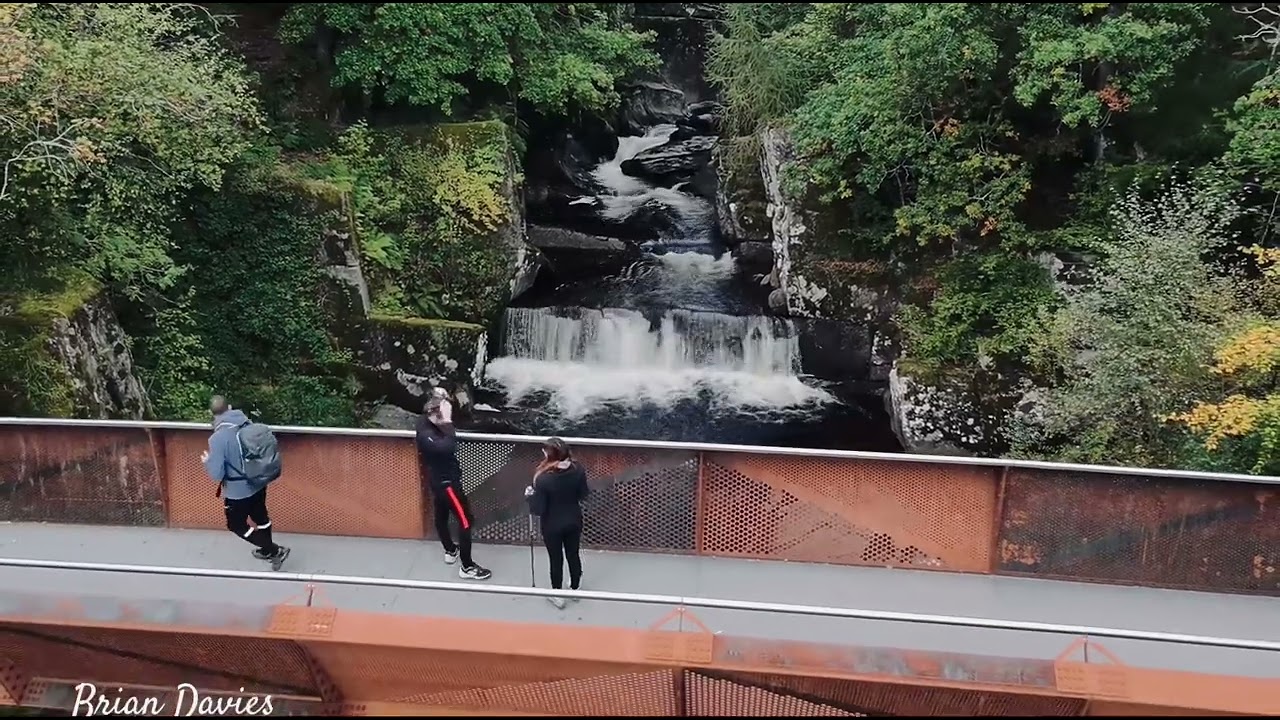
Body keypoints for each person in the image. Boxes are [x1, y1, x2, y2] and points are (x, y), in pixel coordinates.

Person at [200, 396, 290, 571]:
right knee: (261, 517)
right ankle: (267, 551)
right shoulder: (247, 424)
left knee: (236, 525)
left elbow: (217, 474)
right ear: (230, 407)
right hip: (258, 481)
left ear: (212, 413)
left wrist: (208, 461)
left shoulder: (217, 438)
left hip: (237, 491)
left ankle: (274, 550)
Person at [416, 390, 492, 581]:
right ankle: (467, 566)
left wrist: (441, 398)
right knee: (465, 521)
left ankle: (450, 550)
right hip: (448, 485)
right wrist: (447, 421)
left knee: (441, 515)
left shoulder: (424, 421)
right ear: (435, 414)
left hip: (438, 481)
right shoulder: (427, 435)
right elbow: (449, 446)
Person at [525, 437, 589, 608]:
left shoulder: (543, 479)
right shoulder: (578, 470)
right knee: (573, 554)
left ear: (549, 455)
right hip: (574, 519)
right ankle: (575, 587)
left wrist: (530, 496)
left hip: (552, 524)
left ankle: (557, 594)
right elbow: (583, 494)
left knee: (556, 559)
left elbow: (538, 509)